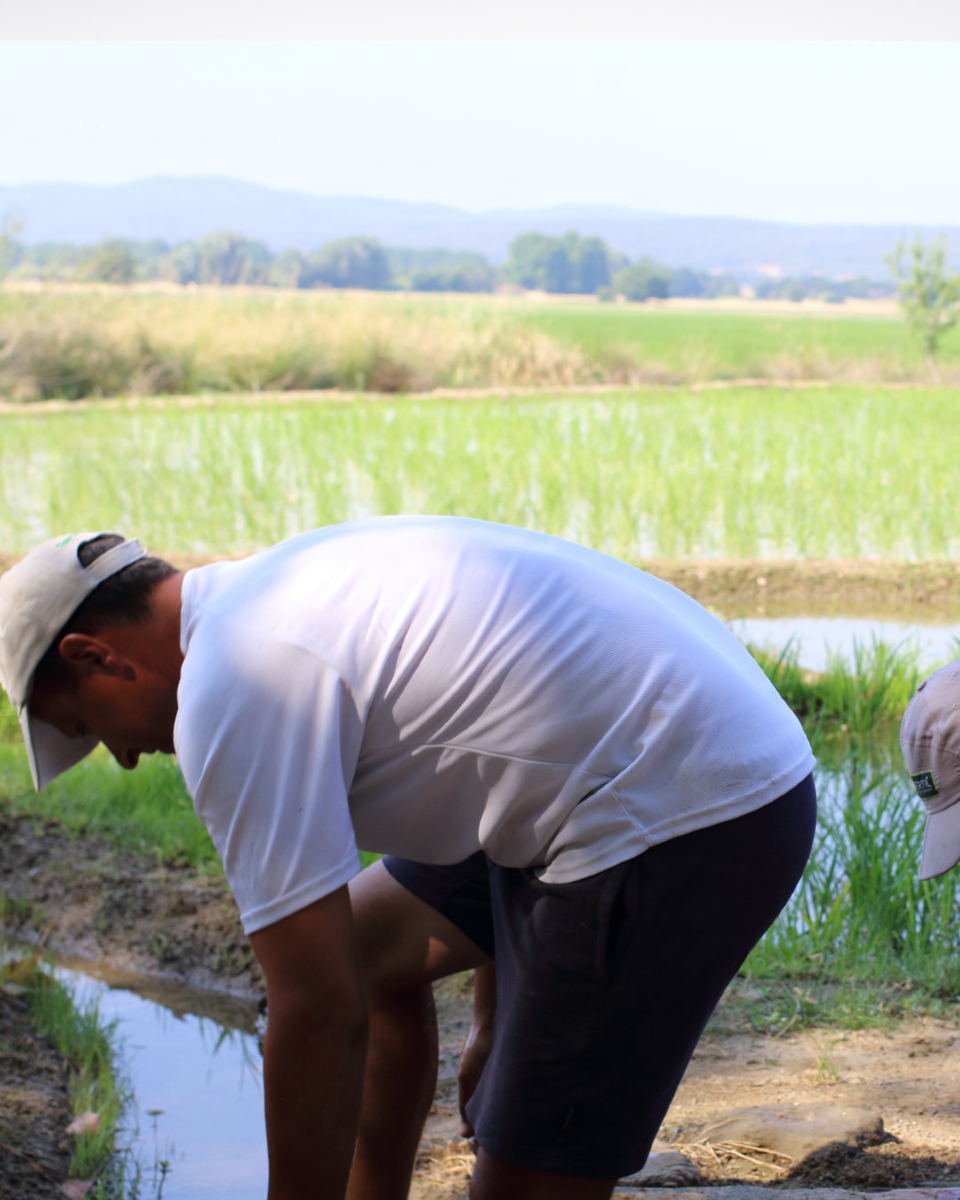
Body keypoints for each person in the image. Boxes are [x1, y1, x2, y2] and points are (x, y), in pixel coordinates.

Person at [0, 518, 817, 1200]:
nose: (122, 757)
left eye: (83, 728)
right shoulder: (267, 591)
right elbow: (522, 732)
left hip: (685, 808)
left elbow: (316, 1012)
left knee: (520, 1183)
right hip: (638, 764)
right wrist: (498, 1013)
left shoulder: (233, 682)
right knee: (360, 951)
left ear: (92, 656)